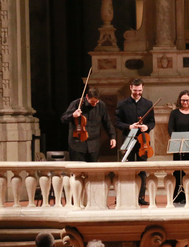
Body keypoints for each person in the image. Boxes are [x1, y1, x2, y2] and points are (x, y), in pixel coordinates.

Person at [115, 78, 156, 206]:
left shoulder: (148, 104)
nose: (137, 93)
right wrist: (129, 126)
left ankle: (141, 196)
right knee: (127, 168)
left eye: (139, 90)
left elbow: (152, 122)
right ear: (130, 88)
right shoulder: (122, 104)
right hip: (128, 138)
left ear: (142, 88)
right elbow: (117, 122)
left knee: (142, 170)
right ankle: (126, 196)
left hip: (143, 141)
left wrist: (147, 127)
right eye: (135, 91)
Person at [61, 86, 116, 162]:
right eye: (92, 102)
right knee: (77, 170)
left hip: (94, 145)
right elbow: (63, 119)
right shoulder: (76, 104)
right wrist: (73, 115)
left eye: (96, 102)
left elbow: (107, 122)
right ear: (87, 96)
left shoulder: (101, 105)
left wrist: (112, 136)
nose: (95, 104)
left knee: (92, 171)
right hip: (77, 144)